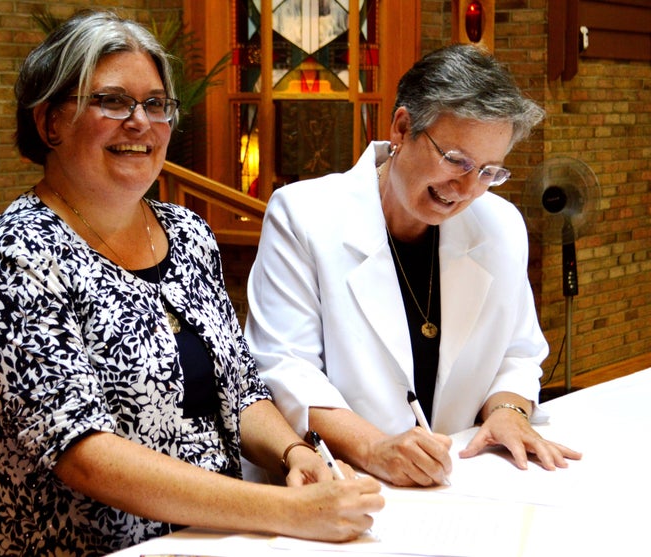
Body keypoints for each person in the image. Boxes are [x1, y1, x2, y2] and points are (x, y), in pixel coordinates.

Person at [0, 11, 383, 556]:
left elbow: (241, 390)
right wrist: (284, 511)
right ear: (49, 123)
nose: (140, 123)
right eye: (111, 101)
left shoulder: (188, 233)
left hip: (210, 541)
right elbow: (82, 451)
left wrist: (296, 454)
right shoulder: (15, 258)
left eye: (156, 104)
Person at [245, 44, 582, 488]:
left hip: (456, 481)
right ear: (402, 128)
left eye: (488, 172)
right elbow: (284, 368)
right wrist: (373, 447)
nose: (464, 188)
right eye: (456, 161)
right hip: (339, 481)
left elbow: (518, 352)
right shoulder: (303, 215)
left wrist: (508, 410)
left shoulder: (500, 226)